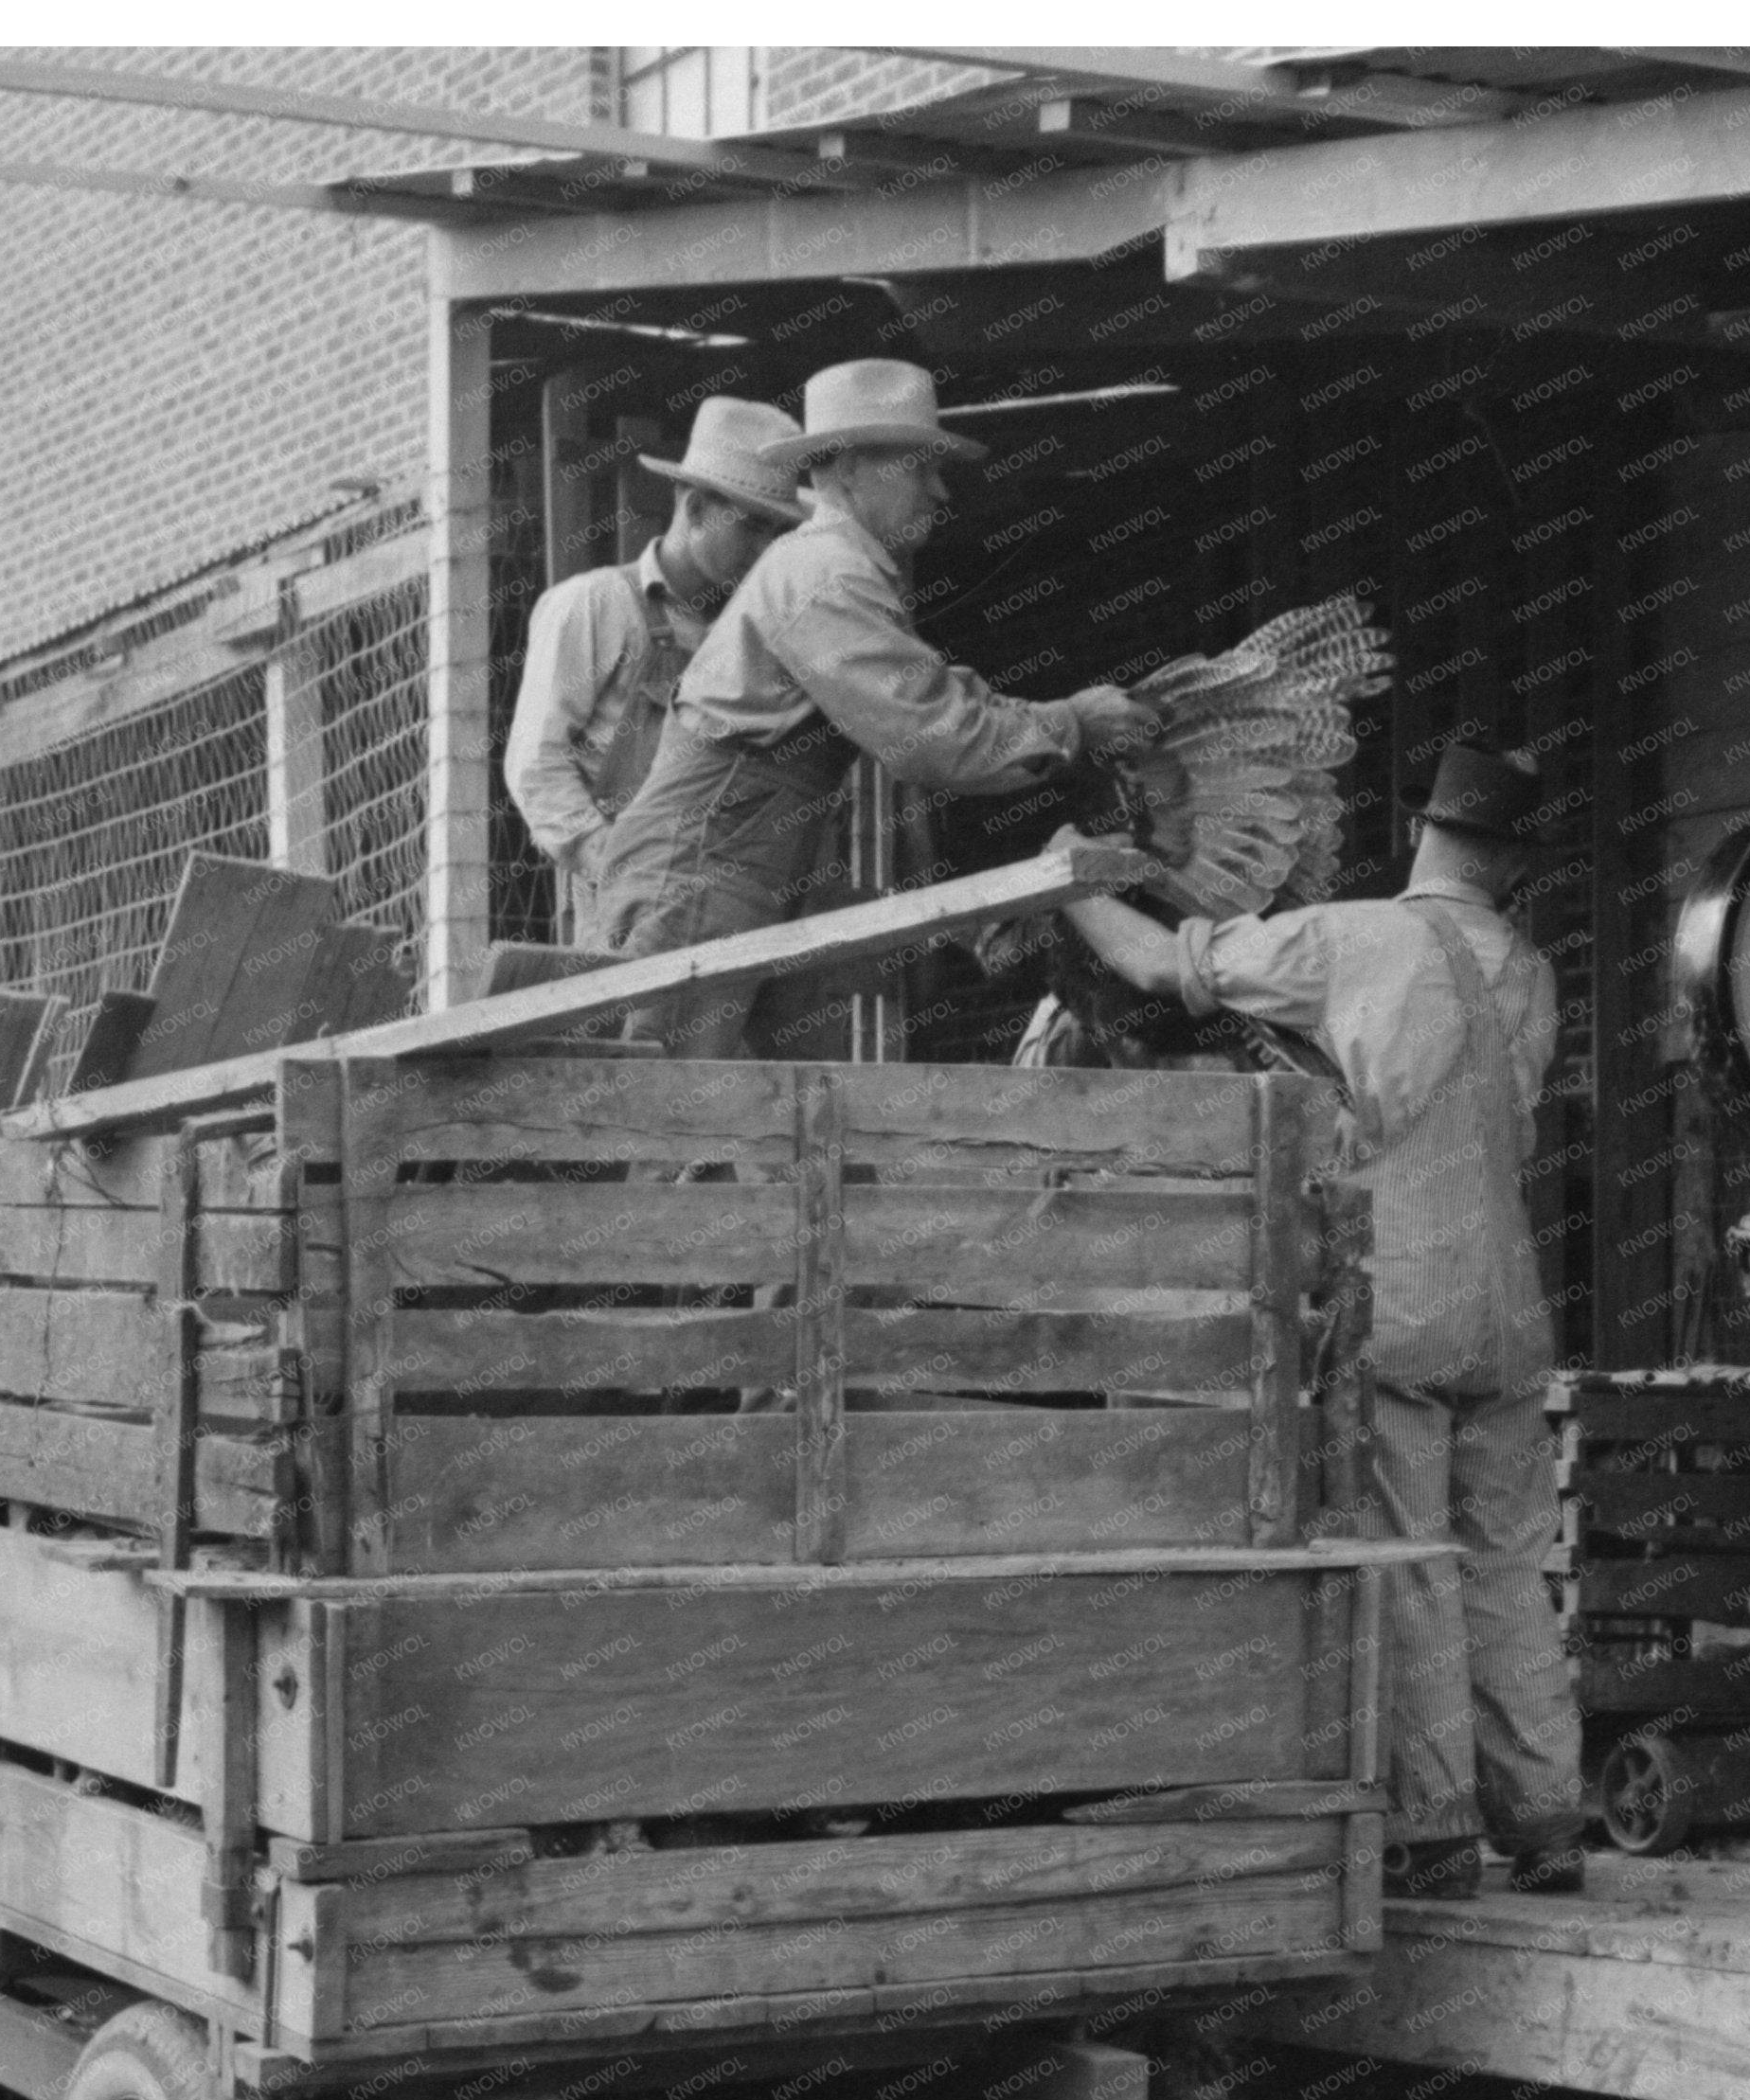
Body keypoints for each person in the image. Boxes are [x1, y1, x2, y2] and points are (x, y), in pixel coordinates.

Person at [1049, 742, 1586, 1900]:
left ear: (1425, 833)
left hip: (1403, 1293)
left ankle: (1436, 1833)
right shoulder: (1531, 972)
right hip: (1510, 1303)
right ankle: (1547, 1824)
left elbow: (1158, 968)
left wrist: (1072, 883)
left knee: (1412, 1560)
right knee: (1507, 1565)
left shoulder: (1355, 940)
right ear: (1510, 861)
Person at [580, 359, 1155, 1058]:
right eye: (920, 468)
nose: (941, 491)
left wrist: (1055, 716)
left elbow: (940, 692)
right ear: (851, 468)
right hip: (700, 870)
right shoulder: (825, 576)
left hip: (740, 866)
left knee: (738, 1110)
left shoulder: (840, 570)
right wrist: (1073, 724)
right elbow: (933, 736)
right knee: (664, 1100)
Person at [502, 397, 805, 948]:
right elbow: (536, 764)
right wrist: (616, 868)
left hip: (733, 910)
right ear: (693, 510)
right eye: (751, 528)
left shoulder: (757, 633)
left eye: (775, 534)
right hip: (624, 913)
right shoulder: (595, 606)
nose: (764, 550)